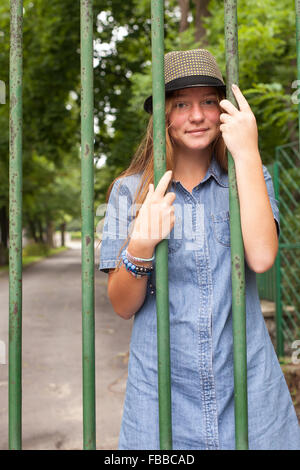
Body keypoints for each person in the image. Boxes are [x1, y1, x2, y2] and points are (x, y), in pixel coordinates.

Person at [98, 49, 300, 450]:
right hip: (161, 396)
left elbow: (261, 256)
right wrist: (140, 245)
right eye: (181, 104)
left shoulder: (249, 177)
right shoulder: (129, 190)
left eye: (208, 101)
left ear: (223, 109)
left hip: (247, 390)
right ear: (164, 117)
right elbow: (122, 305)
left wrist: (247, 150)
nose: (196, 115)